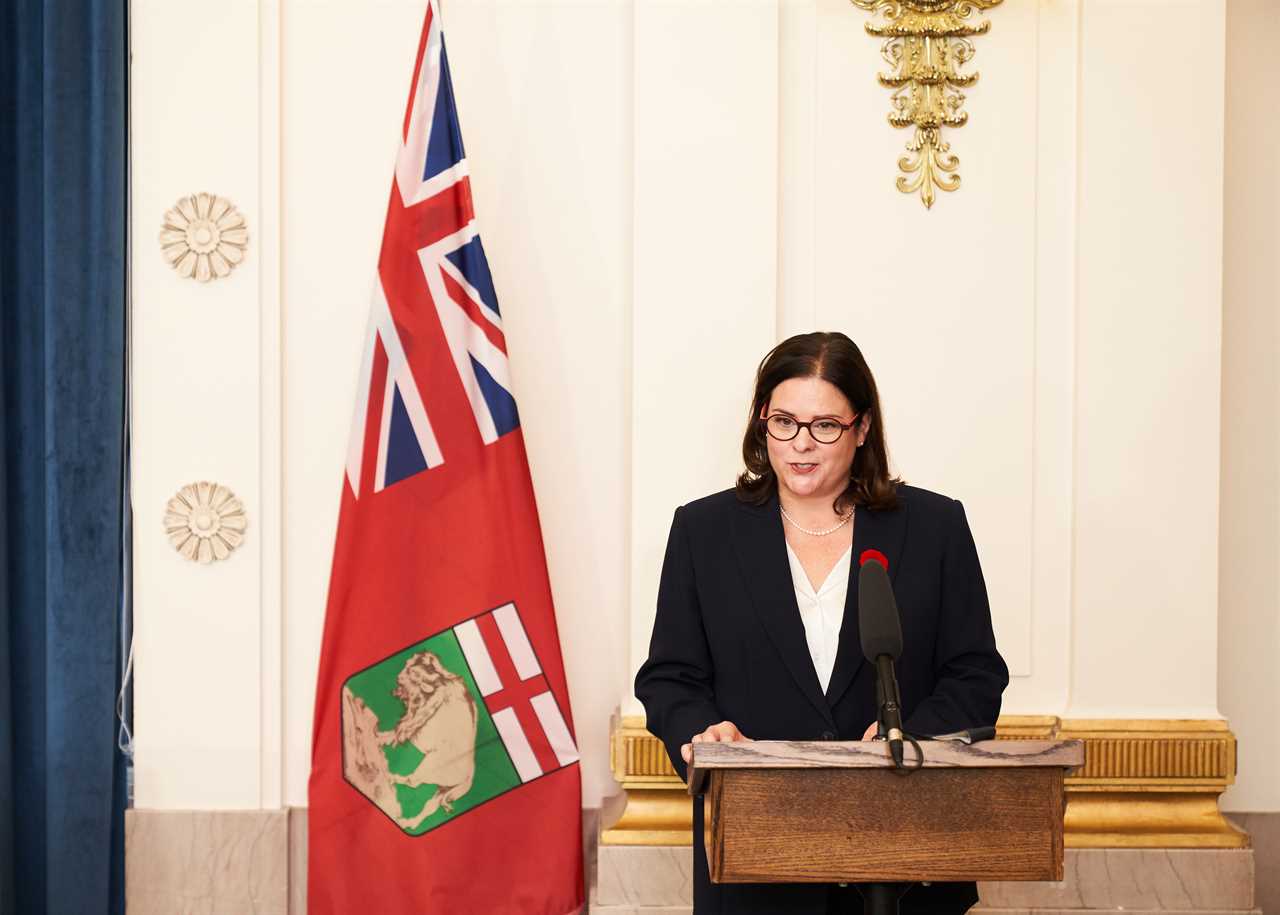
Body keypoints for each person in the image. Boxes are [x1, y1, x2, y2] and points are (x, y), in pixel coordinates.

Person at [634, 331, 1009, 915]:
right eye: (783, 421)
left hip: (904, 852)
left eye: (825, 426)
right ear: (762, 422)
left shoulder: (934, 527)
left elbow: (974, 673)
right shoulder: (703, 531)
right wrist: (704, 733)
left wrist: (911, 735)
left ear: (861, 429)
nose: (800, 444)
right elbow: (669, 679)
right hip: (758, 858)